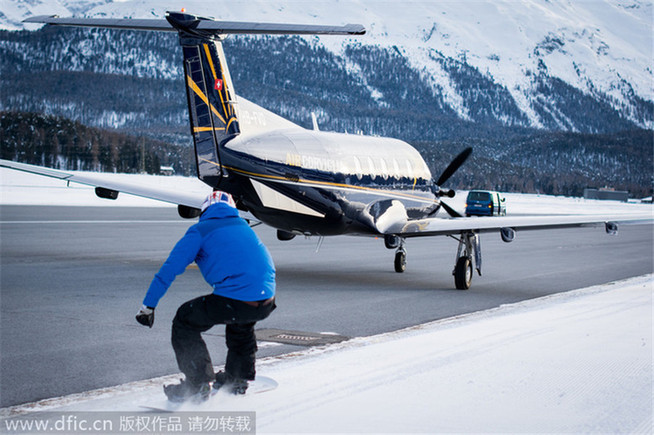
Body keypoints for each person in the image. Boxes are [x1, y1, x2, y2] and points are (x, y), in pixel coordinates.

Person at [135, 190, 276, 402]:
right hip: (266, 300)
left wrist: (149, 306)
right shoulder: (244, 227)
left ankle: (197, 384)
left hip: (236, 300)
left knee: (185, 320)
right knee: (242, 323)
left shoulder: (200, 230)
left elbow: (168, 270)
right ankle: (237, 380)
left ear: (205, 210)